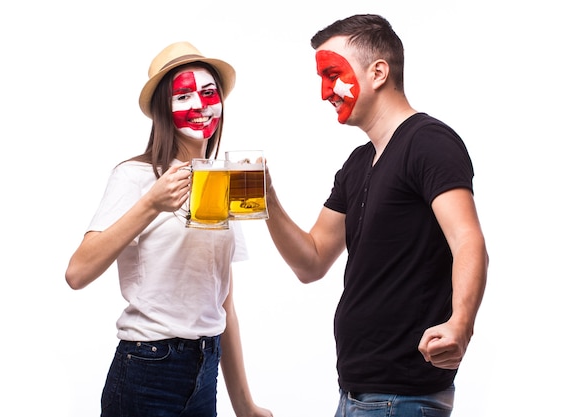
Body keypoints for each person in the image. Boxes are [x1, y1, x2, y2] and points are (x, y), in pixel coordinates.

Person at [263, 14, 488, 417]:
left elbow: (468, 241)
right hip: (355, 394)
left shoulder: (430, 143)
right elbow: (311, 261)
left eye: (333, 74)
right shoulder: (357, 162)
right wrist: (267, 199)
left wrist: (461, 324)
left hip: (402, 398)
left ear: (379, 72)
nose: (324, 92)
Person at [65, 41, 272, 417]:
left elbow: (222, 302)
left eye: (209, 93)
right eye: (184, 95)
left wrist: (244, 404)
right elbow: (77, 273)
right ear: (163, 109)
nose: (200, 104)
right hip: (147, 367)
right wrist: (150, 205)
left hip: (205, 369)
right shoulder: (135, 176)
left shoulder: (223, 181)